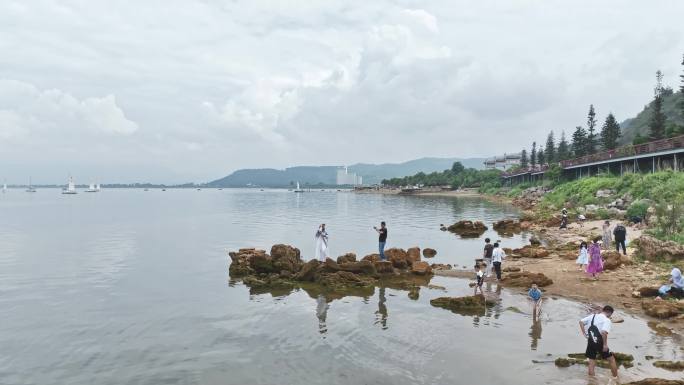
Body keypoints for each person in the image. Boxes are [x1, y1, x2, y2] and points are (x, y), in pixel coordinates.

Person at [578, 305, 618, 379]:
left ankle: (591, 381)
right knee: (612, 360)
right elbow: (603, 332)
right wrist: (605, 345)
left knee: (591, 362)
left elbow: (581, 322)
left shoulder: (593, 316)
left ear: (603, 310)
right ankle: (616, 379)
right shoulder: (607, 320)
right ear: (609, 313)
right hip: (599, 342)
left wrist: (585, 334)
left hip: (590, 341)